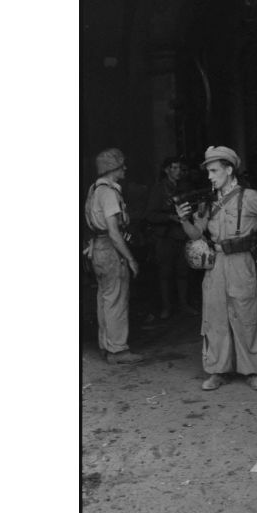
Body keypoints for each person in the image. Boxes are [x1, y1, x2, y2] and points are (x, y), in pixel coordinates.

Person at [175, 146, 257, 391]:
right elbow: (196, 234)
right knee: (215, 318)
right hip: (215, 264)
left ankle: (252, 371)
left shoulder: (249, 197)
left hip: (241, 262)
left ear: (229, 170)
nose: (210, 176)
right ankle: (218, 370)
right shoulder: (208, 201)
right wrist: (184, 219)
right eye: (208, 171)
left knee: (246, 315)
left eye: (214, 171)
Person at [84, 148, 143, 364]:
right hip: (110, 249)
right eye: (121, 166)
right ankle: (118, 350)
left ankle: (106, 345)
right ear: (112, 169)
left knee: (105, 298)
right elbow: (114, 233)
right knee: (116, 299)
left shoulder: (95, 189)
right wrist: (130, 258)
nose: (125, 169)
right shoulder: (108, 193)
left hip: (99, 248)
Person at [145, 156, 199, 319]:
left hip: (181, 235)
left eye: (180, 168)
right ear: (166, 170)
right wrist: (169, 218)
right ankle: (167, 308)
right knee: (165, 273)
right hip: (165, 237)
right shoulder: (159, 189)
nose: (178, 172)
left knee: (183, 272)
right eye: (174, 168)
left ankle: (183, 305)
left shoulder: (184, 187)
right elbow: (150, 215)